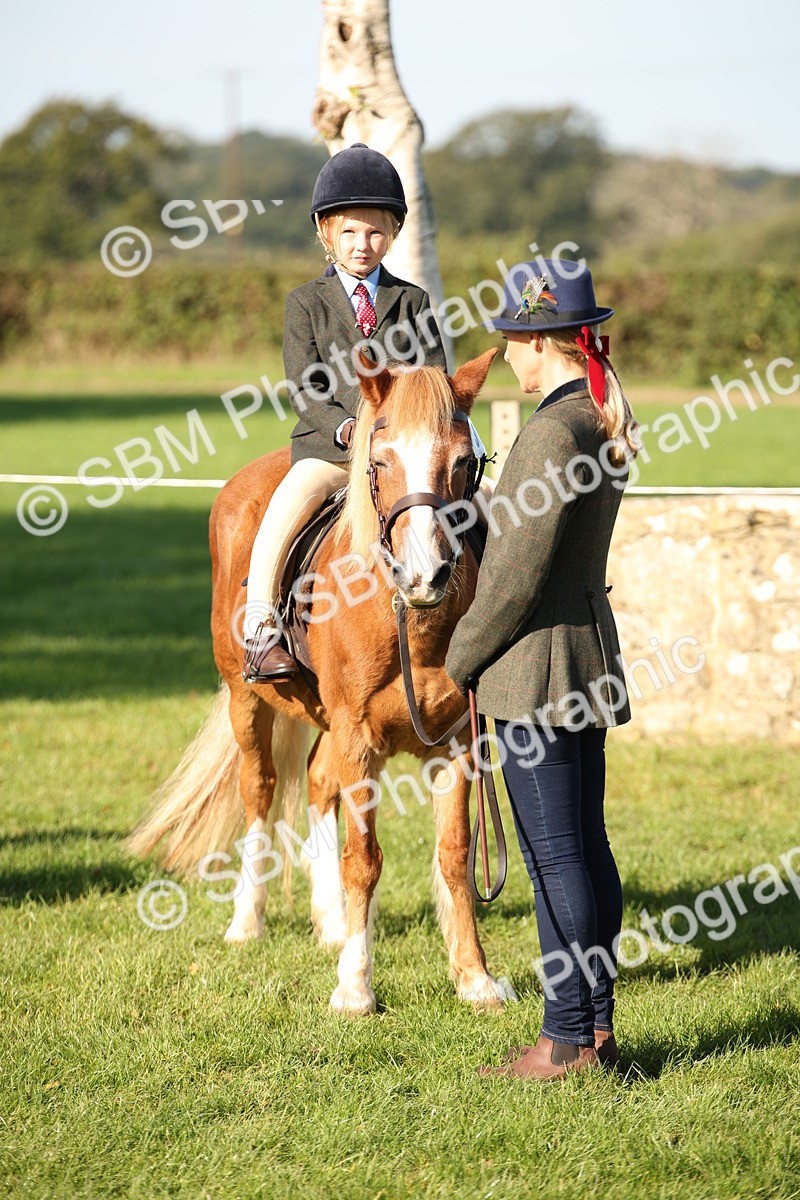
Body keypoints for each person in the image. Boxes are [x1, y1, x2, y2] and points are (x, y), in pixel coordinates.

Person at [445, 256, 639, 1081]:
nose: (510, 358)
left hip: (537, 672)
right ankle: (592, 1031)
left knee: (555, 857)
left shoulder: (551, 436)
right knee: (585, 848)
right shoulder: (597, 418)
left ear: (543, 341)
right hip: (584, 658)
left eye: (515, 342)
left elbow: (513, 580)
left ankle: (565, 1040)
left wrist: (459, 659)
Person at [242, 142, 447, 681]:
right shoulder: (304, 303)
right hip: (329, 451)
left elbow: (434, 381)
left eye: (376, 232)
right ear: (326, 233)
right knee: (281, 512)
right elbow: (305, 386)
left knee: (481, 506)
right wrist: (347, 426)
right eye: (350, 232)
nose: (363, 244)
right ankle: (262, 627)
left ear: (394, 235)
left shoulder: (414, 302)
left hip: (398, 455)